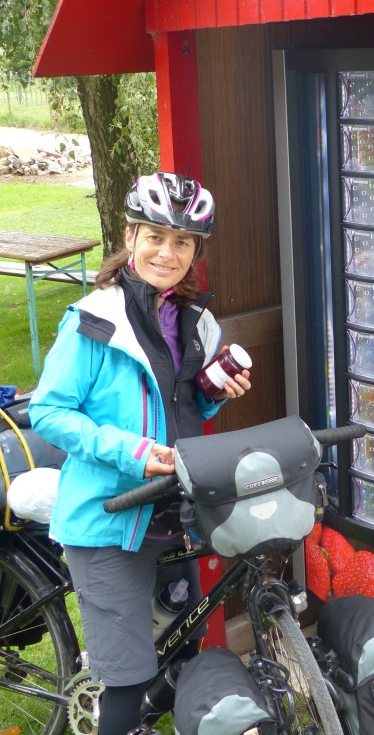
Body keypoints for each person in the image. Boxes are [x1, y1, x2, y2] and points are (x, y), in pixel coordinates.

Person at [29, 172, 251, 735]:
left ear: (196, 250)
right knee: (126, 683)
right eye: (155, 236)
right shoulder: (94, 321)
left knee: (182, 656)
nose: (166, 252)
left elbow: (181, 415)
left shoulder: (198, 323)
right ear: (130, 237)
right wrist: (131, 451)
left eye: (182, 242)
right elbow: (51, 413)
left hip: (174, 519)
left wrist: (207, 396)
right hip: (109, 523)